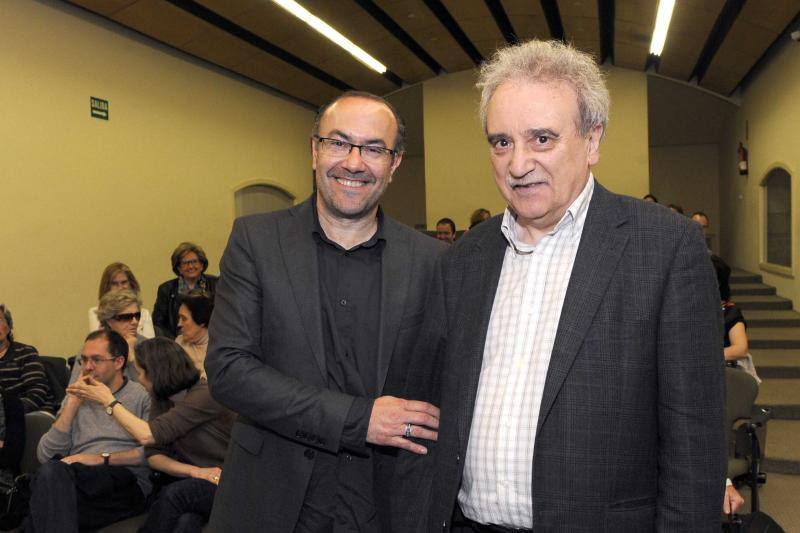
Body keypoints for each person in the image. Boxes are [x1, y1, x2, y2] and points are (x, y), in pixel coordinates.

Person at [393, 40, 726, 532]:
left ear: (593, 141)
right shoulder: (463, 259)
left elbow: (694, 448)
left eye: (542, 138)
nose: (518, 163)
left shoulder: (664, 248)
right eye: (501, 141)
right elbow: (431, 414)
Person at [205, 90, 444, 532]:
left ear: (394, 164)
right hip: (273, 498)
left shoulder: (433, 262)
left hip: (385, 502)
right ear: (315, 150)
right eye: (339, 143)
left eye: (374, 148)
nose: (354, 162)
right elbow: (229, 370)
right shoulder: (256, 241)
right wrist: (357, 418)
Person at [67, 337, 234, 533]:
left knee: (175, 494)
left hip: (231, 481)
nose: (138, 380)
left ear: (156, 373)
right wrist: (193, 471)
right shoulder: (161, 399)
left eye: (139, 373)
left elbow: (147, 435)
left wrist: (108, 402)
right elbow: (153, 455)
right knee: (185, 523)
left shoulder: (203, 396)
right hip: (199, 480)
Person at [27, 329, 151, 533]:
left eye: (96, 360)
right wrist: (73, 403)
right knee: (50, 484)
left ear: (119, 362)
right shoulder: (76, 396)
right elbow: (45, 455)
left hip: (123, 482)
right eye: (83, 360)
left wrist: (99, 458)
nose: (87, 367)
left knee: (41, 507)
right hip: (79, 481)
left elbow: (153, 452)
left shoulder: (142, 396)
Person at [71, 290, 144, 384]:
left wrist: (132, 358)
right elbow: (73, 389)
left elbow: (151, 393)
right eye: (126, 317)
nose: (135, 321)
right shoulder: (91, 349)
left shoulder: (149, 346)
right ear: (109, 320)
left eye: (137, 315)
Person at [153, 242, 218, 339]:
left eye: (194, 261)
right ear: (178, 268)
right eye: (185, 263)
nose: (191, 266)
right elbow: (158, 324)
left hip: (210, 340)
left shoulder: (216, 284)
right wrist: (173, 343)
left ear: (202, 265)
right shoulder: (166, 289)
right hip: (175, 343)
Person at [0, 303, 52, 413]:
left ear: (9, 327)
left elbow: (37, 393)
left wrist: (9, 412)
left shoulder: (25, 352)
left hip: (29, 414)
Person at [88, 262, 155, 338]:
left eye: (124, 282)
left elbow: (150, 344)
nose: (120, 288)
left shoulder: (144, 313)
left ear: (131, 284)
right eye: (114, 284)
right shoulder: (96, 313)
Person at [712, 256, 749, 363]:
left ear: (718, 283)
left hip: (720, 370)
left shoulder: (730, 312)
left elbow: (741, 349)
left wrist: (704, 358)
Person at [174, 293, 213, 378]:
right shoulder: (178, 344)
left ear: (200, 320)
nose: (179, 324)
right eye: (179, 318)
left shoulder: (219, 350)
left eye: (184, 319)